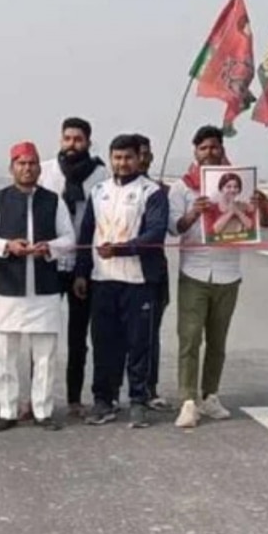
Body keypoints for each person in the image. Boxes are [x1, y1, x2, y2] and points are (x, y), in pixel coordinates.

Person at [168, 126, 268, 428]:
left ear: (222, 150)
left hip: (229, 274)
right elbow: (174, 227)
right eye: (203, 148)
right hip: (195, 272)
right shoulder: (183, 188)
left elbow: (265, 222)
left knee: (218, 340)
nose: (209, 153)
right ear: (195, 151)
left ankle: (210, 395)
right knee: (190, 338)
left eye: (215, 147)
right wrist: (193, 213)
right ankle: (188, 400)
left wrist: (260, 205)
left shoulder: (239, 185)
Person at [0, 142, 76, 432]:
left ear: (38, 168)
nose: (27, 168)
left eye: (32, 163)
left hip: (45, 287)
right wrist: (6, 245)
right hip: (8, 286)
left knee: (45, 354)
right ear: (12, 168)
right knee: (5, 354)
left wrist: (50, 247)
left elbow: (69, 237)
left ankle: (43, 411)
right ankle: (7, 410)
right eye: (21, 163)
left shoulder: (53, 200)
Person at [74, 134, 169, 428]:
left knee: (139, 344)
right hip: (103, 280)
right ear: (111, 159)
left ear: (139, 159)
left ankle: (138, 401)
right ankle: (105, 400)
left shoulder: (152, 192)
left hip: (139, 281)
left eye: (128, 157)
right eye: (117, 157)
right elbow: (86, 232)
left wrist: (121, 249)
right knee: (104, 343)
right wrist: (81, 272)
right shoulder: (98, 190)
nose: (122, 163)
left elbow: (155, 234)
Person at [37, 117, 109, 419]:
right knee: (42, 335)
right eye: (67, 139)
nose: (72, 145)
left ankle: (75, 398)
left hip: (86, 266)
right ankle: (37, 399)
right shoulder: (44, 171)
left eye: (78, 139)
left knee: (79, 337)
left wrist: (84, 266)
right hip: (50, 264)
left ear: (88, 142)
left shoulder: (102, 175)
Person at [134, 134, 172, 413]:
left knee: (149, 334)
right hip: (115, 272)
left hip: (152, 272)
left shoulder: (160, 192)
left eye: (146, 153)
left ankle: (149, 389)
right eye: (137, 154)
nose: (142, 159)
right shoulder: (106, 189)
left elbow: (169, 229)